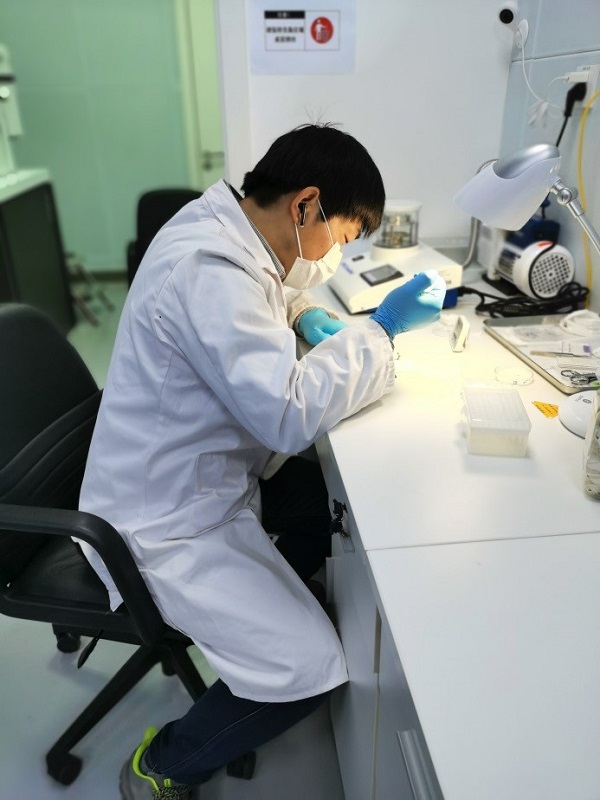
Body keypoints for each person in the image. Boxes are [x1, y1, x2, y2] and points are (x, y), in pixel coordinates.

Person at [78, 123, 446, 799]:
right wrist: (381, 330)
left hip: (205, 479)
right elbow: (287, 411)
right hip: (164, 521)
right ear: (305, 205)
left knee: (325, 507)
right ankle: (162, 765)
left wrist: (301, 312)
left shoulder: (226, 228)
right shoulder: (208, 267)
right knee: (309, 666)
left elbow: (264, 288)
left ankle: (271, 611)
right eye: (342, 236)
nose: (337, 255)